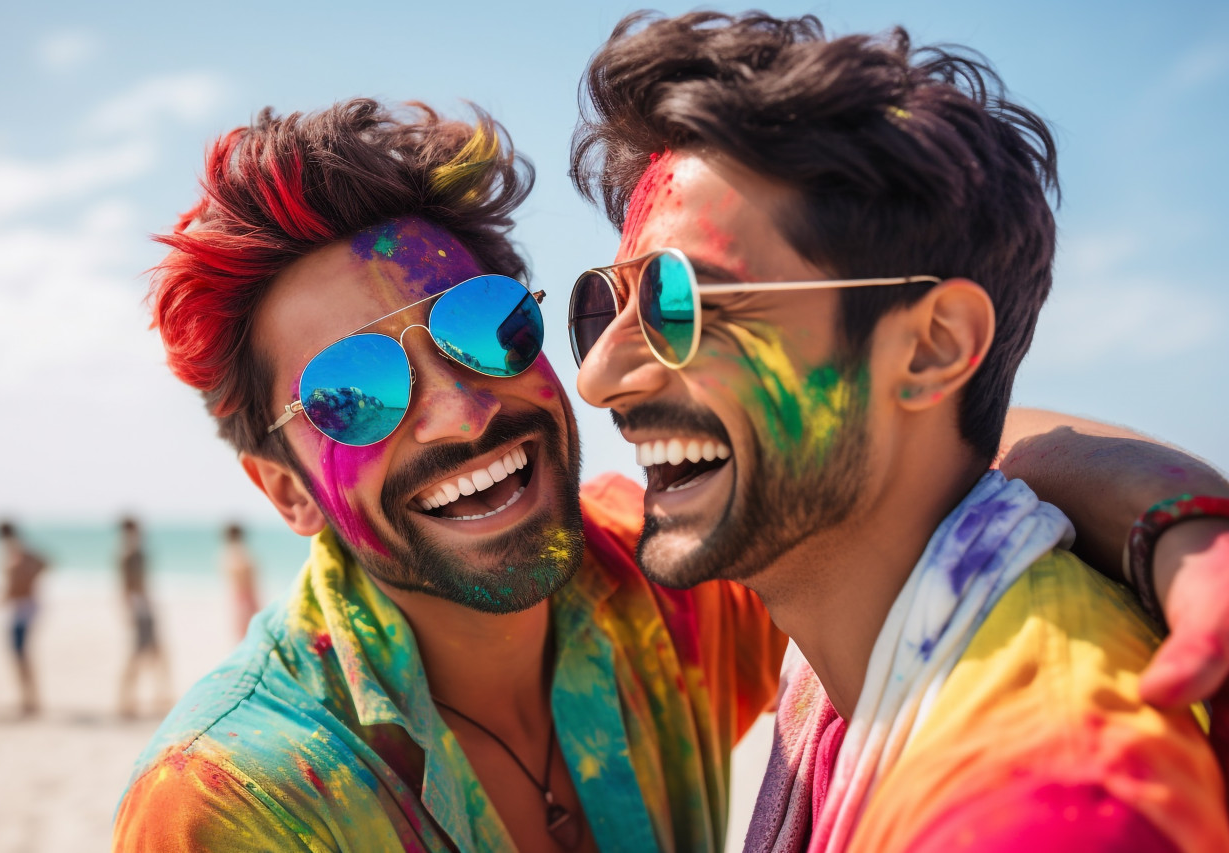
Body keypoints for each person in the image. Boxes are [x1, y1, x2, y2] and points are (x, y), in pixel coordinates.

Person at [114, 98, 1228, 853]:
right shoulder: (237, 800)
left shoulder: (658, 584)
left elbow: (905, 444)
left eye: (482, 326)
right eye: (353, 393)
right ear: (291, 493)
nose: (459, 409)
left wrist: (1176, 519)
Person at [569, 11, 1229, 851]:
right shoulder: (848, 611)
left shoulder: (1049, 802)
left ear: (931, 346)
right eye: (604, 306)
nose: (596, 379)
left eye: (679, 302)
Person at [118, 517, 170, 718]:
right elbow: (125, 586)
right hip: (140, 608)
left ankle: (160, 694)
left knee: (157, 651)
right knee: (138, 653)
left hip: (145, 606)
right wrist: (129, 610)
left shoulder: (136, 554)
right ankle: (126, 699)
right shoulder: (128, 554)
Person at [0, 521, 46, 717]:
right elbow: (44, 563)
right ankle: (29, 698)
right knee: (22, 655)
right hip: (25, 607)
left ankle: (29, 700)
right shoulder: (22, 551)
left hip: (22, 610)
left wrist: (25, 585)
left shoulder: (16, 552)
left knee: (20, 655)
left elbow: (14, 583)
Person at [220, 522, 260, 640]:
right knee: (248, 633)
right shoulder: (243, 554)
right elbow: (249, 582)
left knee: (241, 634)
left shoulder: (226, 553)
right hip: (244, 598)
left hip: (235, 598)